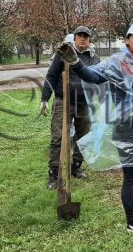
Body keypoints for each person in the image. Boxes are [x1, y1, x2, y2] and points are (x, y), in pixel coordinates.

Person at [57, 23, 133, 234]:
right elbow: (92, 76)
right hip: (128, 128)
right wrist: (75, 62)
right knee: (131, 176)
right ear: (127, 39)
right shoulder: (117, 62)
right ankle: (132, 221)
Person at [41, 26, 100, 190]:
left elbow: (98, 79)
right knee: (58, 136)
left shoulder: (93, 58)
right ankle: (54, 174)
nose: (83, 39)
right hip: (63, 101)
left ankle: (76, 167)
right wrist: (45, 98)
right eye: (80, 36)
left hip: (84, 103)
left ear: (89, 40)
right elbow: (51, 75)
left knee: (83, 138)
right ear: (74, 38)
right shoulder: (64, 53)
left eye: (86, 37)